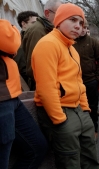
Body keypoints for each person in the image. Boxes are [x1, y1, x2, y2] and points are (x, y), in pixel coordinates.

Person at [31, 3, 99, 168]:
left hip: (79, 111)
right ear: (59, 20)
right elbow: (46, 88)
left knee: (90, 158)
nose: (78, 26)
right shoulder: (48, 44)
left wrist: (85, 110)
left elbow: (78, 82)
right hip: (61, 113)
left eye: (81, 23)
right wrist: (59, 120)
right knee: (70, 162)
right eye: (73, 20)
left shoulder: (72, 48)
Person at [0, 19, 47, 169]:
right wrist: (11, 29)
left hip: (11, 96)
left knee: (37, 147)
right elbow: (10, 41)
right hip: (3, 100)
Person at [73, 19, 99, 139]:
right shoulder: (71, 42)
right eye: (81, 26)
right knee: (77, 108)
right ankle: (80, 132)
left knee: (92, 107)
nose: (83, 29)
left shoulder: (93, 42)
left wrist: (98, 78)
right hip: (75, 82)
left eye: (85, 27)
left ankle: (94, 130)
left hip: (91, 81)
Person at [23, 0, 62, 90]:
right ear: (47, 13)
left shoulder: (50, 29)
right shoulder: (37, 31)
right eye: (59, 13)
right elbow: (34, 66)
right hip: (44, 86)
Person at [14, 11, 39, 84]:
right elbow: (23, 68)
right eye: (33, 23)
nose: (36, 26)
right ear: (23, 24)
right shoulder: (18, 42)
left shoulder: (37, 37)